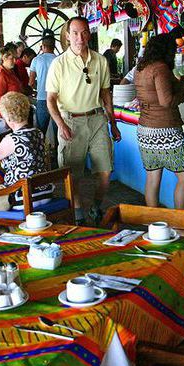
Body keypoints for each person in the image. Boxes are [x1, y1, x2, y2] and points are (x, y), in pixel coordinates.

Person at [46, 16, 120, 225]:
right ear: (68, 37)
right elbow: (50, 99)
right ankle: (78, 214)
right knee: (73, 174)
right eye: (75, 33)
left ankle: (96, 207)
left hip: (97, 119)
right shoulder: (58, 64)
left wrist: (113, 123)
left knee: (105, 171)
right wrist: (60, 124)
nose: (80, 37)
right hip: (70, 121)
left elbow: (106, 94)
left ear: (89, 34)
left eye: (84, 32)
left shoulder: (100, 60)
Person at [134, 34, 184, 209]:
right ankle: (180, 223)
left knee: (153, 177)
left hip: (145, 130)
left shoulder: (142, 67)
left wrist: (179, 83)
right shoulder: (160, 68)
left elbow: (155, 90)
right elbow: (166, 101)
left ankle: (152, 224)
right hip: (165, 130)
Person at [0, 92, 52, 209]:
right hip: (44, 193)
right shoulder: (38, 133)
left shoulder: (13, 139)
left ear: (8, 117)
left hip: (24, 197)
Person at [29, 36, 57, 137]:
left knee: (40, 132)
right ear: (54, 46)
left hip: (42, 99)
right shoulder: (59, 60)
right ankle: (57, 152)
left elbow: (31, 82)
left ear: (43, 46)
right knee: (59, 132)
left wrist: (40, 87)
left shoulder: (36, 60)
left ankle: (41, 151)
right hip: (57, 100)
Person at [0, 47, 25, 118]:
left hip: (10, 112)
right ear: (4, 58)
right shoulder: (1, 75)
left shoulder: (10, 71)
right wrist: (7, 117)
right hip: (2, 115)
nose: (15, 61)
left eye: (15, 58)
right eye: (12, 58)